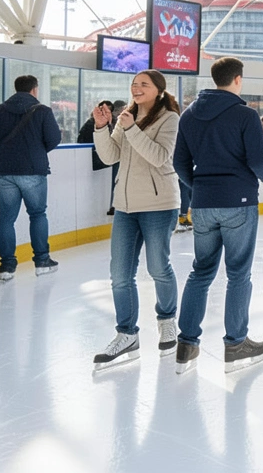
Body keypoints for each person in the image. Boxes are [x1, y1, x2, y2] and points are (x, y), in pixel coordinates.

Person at [172, 57, 263, 374]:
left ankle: (186, 345)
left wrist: (201, 187)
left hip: (203, 203)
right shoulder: (245, 115)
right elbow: (260, 160)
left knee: (200, 272)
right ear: (237, 79)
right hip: (239, 201)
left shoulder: (189, 116)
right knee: (238, 273)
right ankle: (235, 344)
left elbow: (179, 164)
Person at [90, 70, 182, 370]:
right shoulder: (126, 116)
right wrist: (102, 127)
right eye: (134, 84)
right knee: (119, 274)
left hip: (159, 204)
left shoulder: (169, 118)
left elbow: (159, 156)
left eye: (144, 84)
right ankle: (126, 333)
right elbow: (109, 157)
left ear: (158, 90)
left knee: (158, 267)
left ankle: (167, 320)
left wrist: (131, 130)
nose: (136, 88)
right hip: (126, 208)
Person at [0, 74, 62, 282]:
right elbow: (54, 139)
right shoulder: (42, 111)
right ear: (35, 89)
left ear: (16, 89)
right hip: (33, 170)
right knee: (37, 214)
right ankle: (42, 262)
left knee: (6, 218)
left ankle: (6, 267)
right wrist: (35, 151)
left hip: (3, 172)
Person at [79, 100, 117, 216]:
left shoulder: (115, 123)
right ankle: (113, 205)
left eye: (107, 110)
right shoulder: (91, 124)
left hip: (104, 158)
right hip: (98, 159)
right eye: (102, 110)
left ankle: (114, 205)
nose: (104, 113)